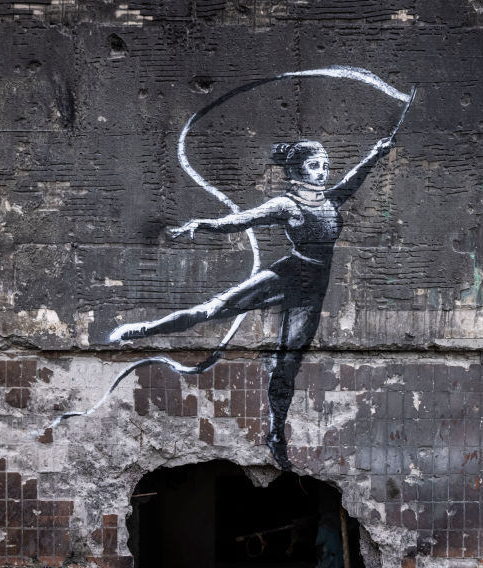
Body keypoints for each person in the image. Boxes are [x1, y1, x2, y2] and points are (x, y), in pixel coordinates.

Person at [109, 137, 393, 469]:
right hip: (287, 274)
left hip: (311, 293)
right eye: (315, 166)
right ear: (296, 171)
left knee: (287, 367)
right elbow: (243, 220)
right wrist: (204, 225)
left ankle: (275, 436)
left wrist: (375, 152)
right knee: (212, 310)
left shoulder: (331, 201)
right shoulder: (286, 205)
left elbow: (354, 180)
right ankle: (142, 330)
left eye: (326, 166)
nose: (323, 173)